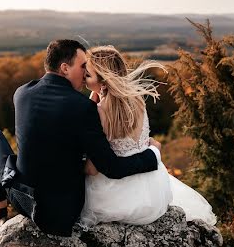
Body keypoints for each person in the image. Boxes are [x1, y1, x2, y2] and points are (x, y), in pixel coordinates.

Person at [0, 39, 163, 236]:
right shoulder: (83, 107)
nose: (85, 73)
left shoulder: (22, 93)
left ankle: (0, 213)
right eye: (83, 66)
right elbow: (111, 167)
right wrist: (152, 155)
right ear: (65, 68)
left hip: (24, 199)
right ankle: (1, 213)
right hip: (63, 214)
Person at [80, 45, 217, 227]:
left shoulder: (99, 112)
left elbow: (94, 168)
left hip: (117, 197)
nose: (83, 77)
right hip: (153, 189)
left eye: (88, 75)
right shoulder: (137, 100)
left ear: (104, 82)